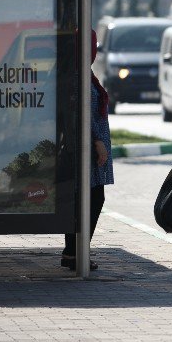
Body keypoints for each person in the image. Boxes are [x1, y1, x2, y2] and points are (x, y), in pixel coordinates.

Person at [62, 30, 113, 271]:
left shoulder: (85, 73)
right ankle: (75, 252)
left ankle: (74, 252)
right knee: (89, 200)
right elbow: (78, 112)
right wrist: (96, 141)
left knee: (88, 199)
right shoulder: (77, 75)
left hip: (90, 150)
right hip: (86, 149)